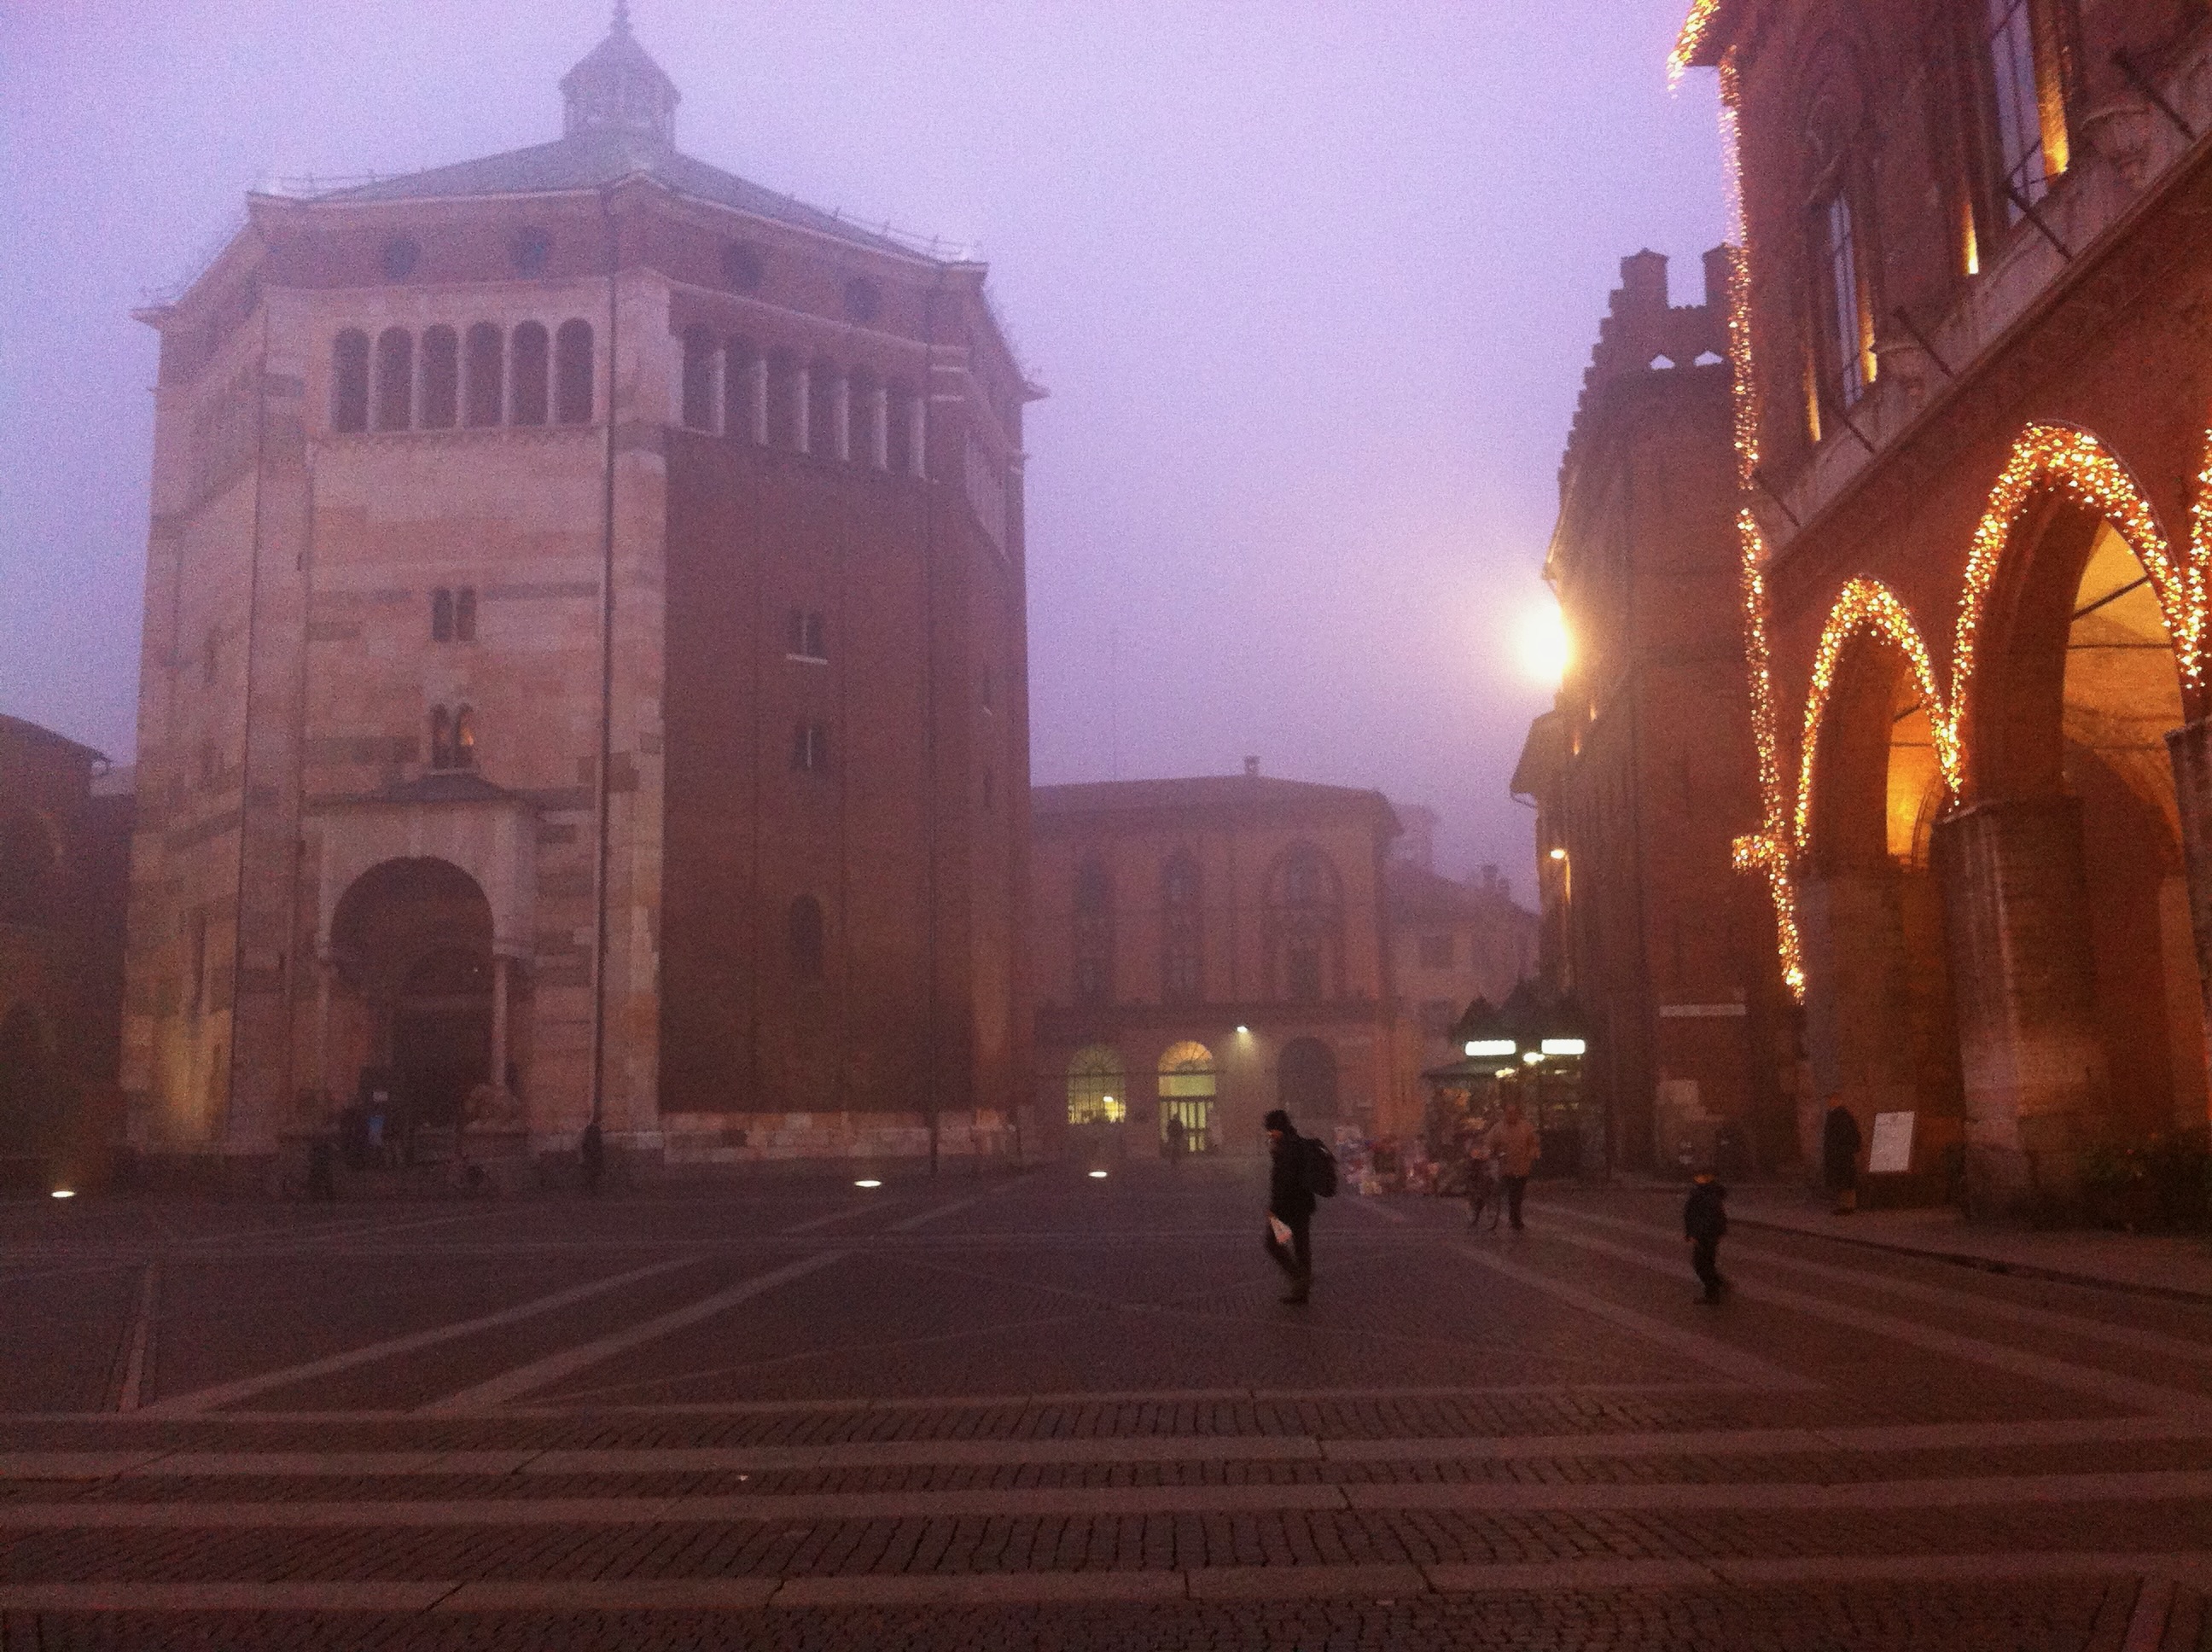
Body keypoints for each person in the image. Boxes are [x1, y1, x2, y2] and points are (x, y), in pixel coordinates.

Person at [1263, 1108, 1316, 1304]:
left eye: (1270, 1130)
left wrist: (1274, 1209)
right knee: (1302, 1246)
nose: (1268, 1134)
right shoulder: (1297, 1143)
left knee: (1273, 1243)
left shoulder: (1285, 1148)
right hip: (1303, 1203)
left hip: (1286, 1208)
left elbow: (1283, 1181)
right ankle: (1301, 1293)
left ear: (1276, 1128)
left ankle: (1299, 1277)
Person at [1486, 1101, 1542, 1231]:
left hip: (1522, 1166)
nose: (1511, 1115)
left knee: (1519, 1193)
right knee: (1513, 1193)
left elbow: (1533, 1142)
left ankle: (1515, 1217)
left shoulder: (1526, 1127)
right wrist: (1489, 1153)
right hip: (1506, 1167)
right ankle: (1515, 1219)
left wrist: (1533, 1152)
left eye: (1513, 1113)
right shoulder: (1498, 1128)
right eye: (1508, 1113)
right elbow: (1489, 1143)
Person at [1684, 1170, 1729, 1303]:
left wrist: (1695, 1234)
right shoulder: (1705, 1192)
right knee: (1706, 1263)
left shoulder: (1705, 1194)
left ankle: (1712, 1294)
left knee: (1701, 1264)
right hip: (1709, 1234)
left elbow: (1706, 1217)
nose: (1696, 1178)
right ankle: (1717, 1284)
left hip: (1705, 1235)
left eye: (1700, 1176)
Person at [1822, 1101, 1862, 1214]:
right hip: (1842, 1153)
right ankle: (1847, 1205)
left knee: (1844, 1180)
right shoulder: (1842, 1115)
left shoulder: (1839, 1116)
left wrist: (1843, 1148)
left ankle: (1847, 1206)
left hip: (1841, 1153)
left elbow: (1845, 1135)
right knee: (1844, 1179)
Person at [579, 1118, 605, 1195]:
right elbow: (597, 1145)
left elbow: (585, 1145)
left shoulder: (589, 1131)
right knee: (594, 1174)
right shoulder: (596, 1131)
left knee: (591, 1174)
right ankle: (592, 1190)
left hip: (590, 1156)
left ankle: (590, 1189)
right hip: (594, 1156)